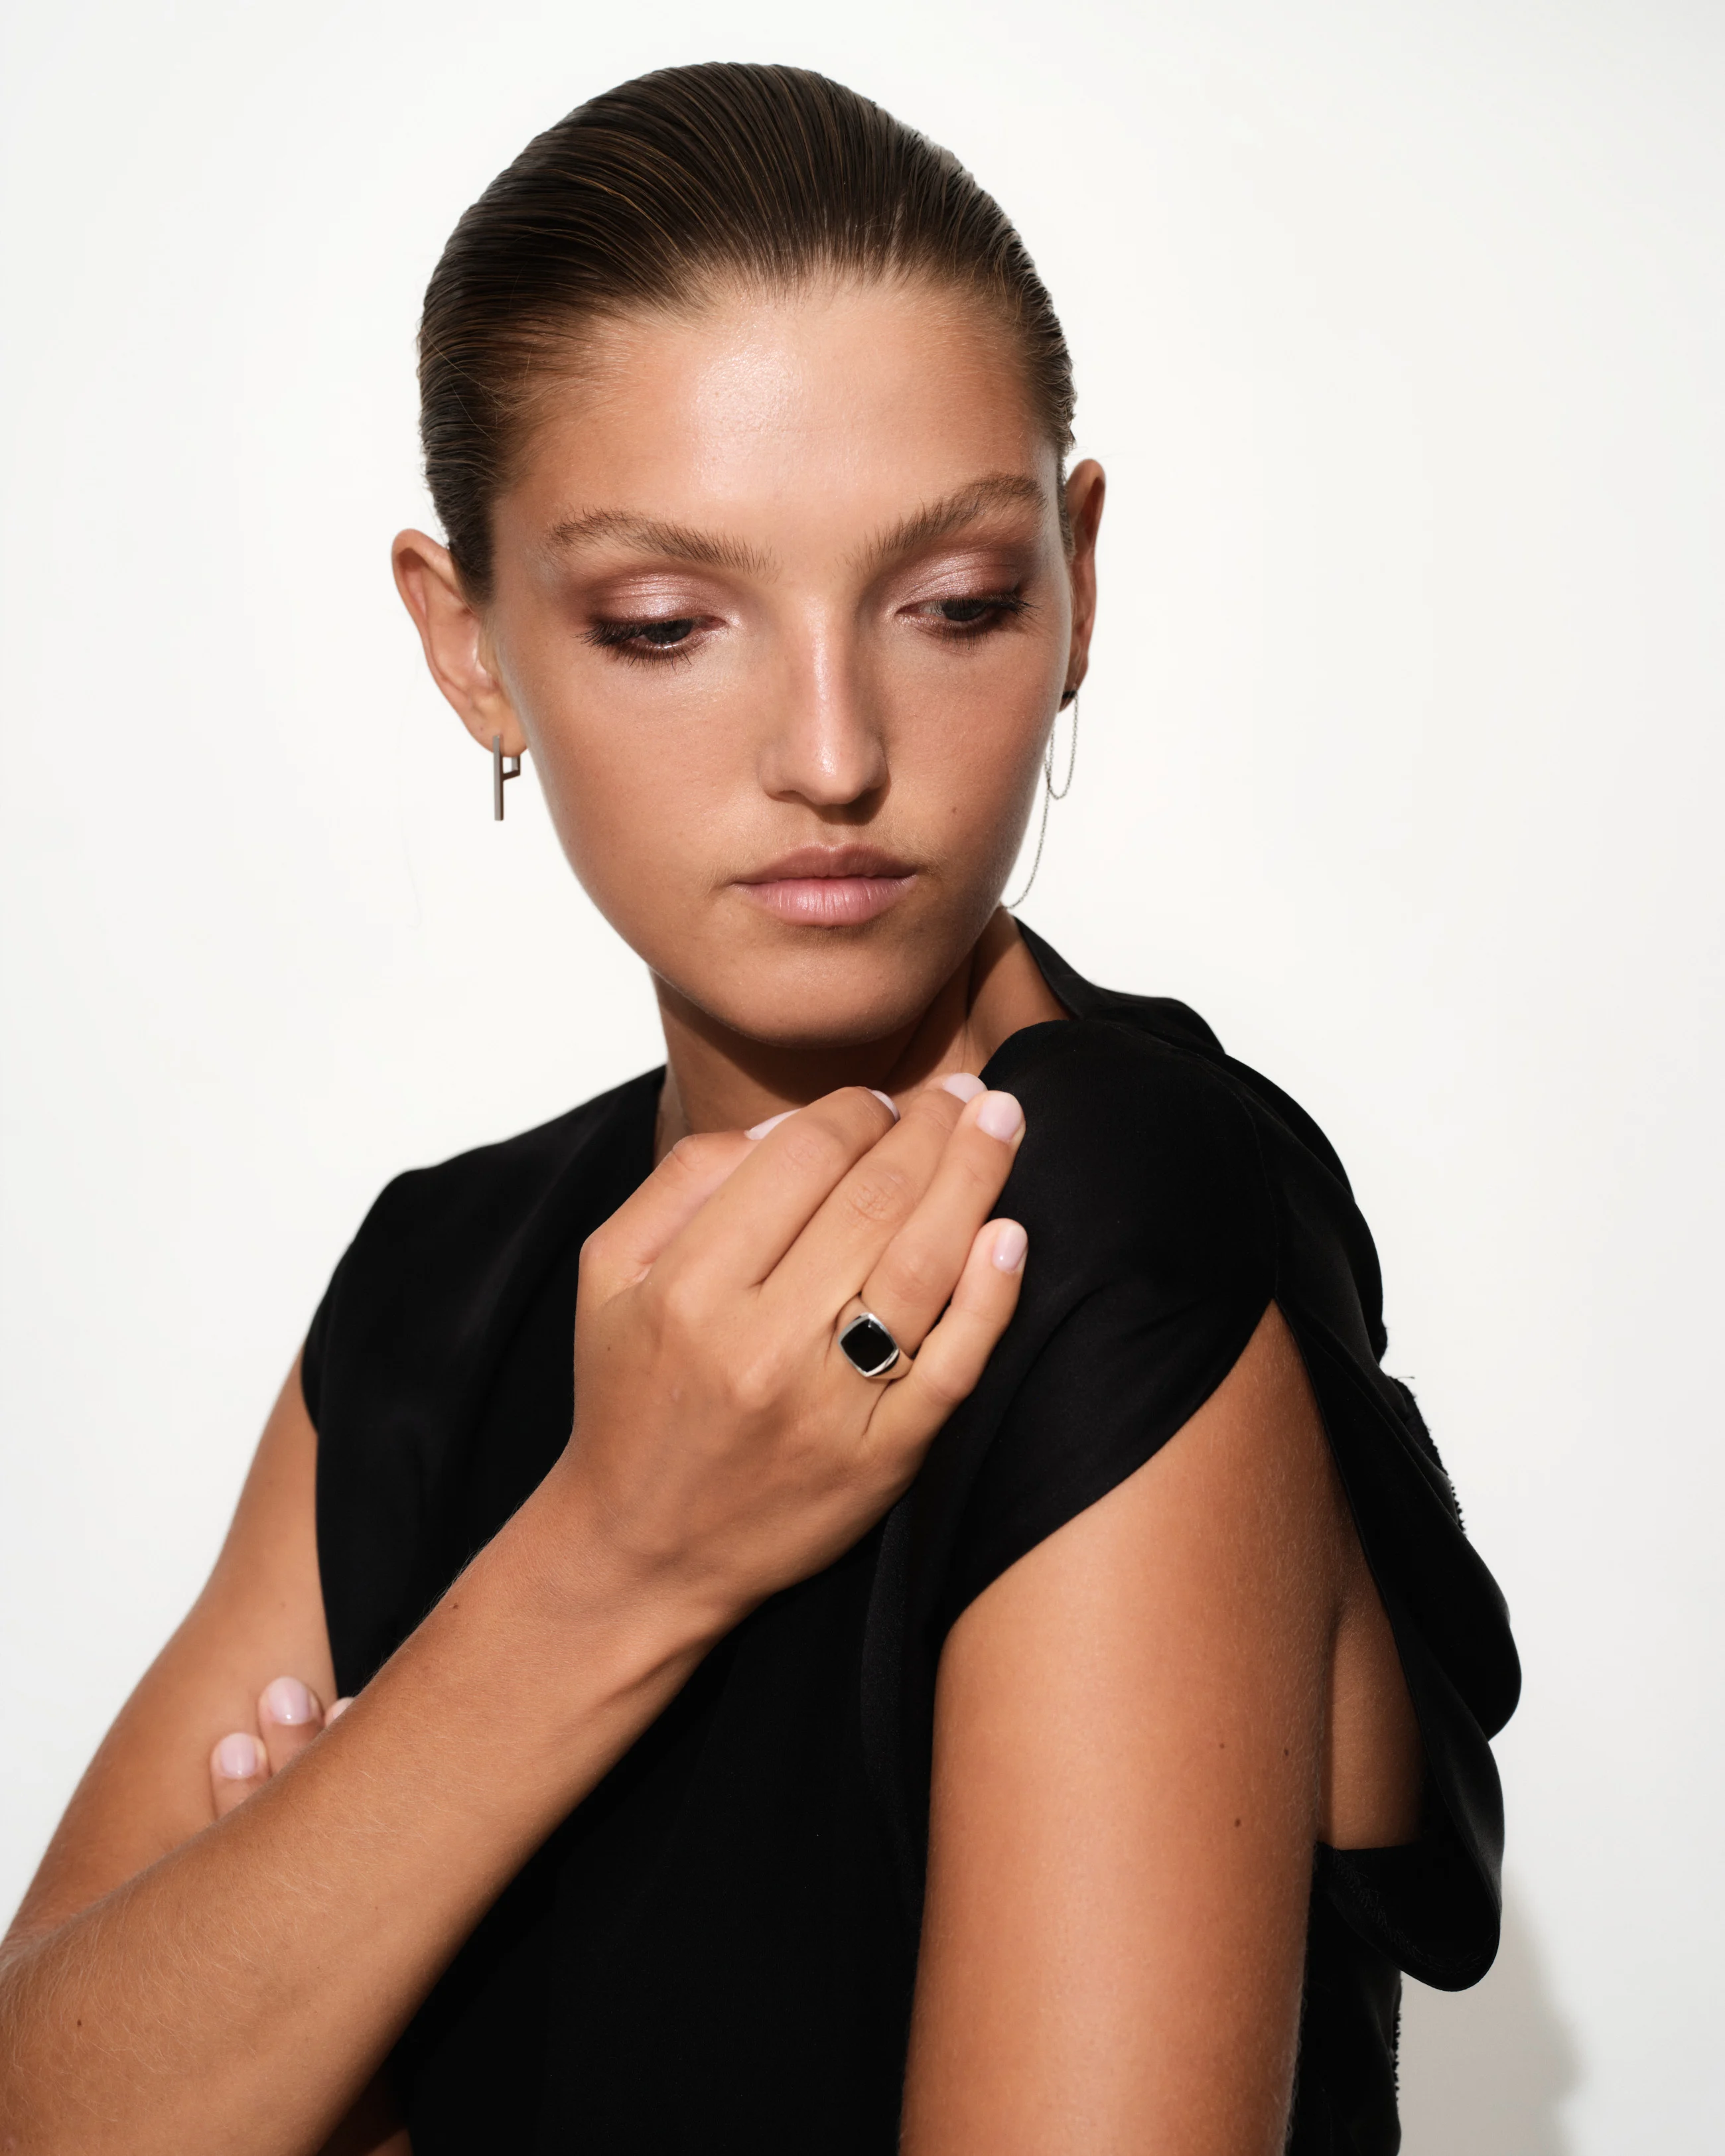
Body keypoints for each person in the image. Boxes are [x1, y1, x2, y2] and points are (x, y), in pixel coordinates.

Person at [0, 62, 1519, 2156]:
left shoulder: (1100, 1216)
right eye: (666, 624)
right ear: (469, 644)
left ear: (1077, 582)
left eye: (955, 599)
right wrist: (608, 1562)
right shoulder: (439, 1288)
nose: (833, 748)